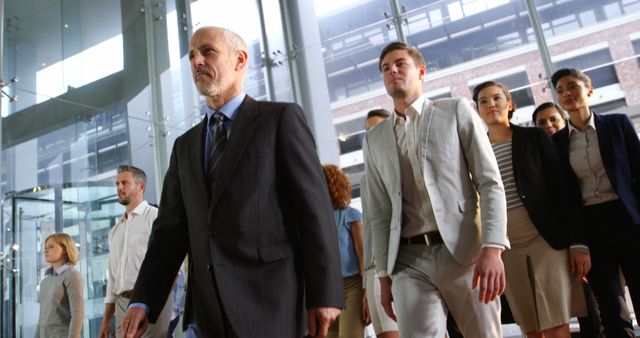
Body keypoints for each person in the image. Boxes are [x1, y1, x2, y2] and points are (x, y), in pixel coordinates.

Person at [123, 26, 343, 338]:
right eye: (191, 55)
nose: (197, 60)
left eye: (207, 51)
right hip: (207, 312)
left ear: (240, 59)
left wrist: (324, 294)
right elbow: (169, 231)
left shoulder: (280, 120)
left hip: (272, 303)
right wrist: (143, 299)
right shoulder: (184, 146)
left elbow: (314, 212)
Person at [362, 41, 509, 337]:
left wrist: (493, 248)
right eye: (385, 68)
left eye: (400, 63)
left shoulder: (456, 110)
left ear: (421, 70)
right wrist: (383, 275)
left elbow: (489, 182)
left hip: (465, 251)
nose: (392, 71)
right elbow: (379, 212)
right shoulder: (373, 139)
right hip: (407, 261)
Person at [473, 81, 589, 338]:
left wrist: (578, 242)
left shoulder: (534, 138)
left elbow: (563, 188)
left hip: (545, 240)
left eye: (497, 98)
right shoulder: (475, 151)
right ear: (477, 110)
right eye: (483, 101)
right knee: (530, 327)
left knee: (556, 324)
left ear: (509, 103)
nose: (491, 104)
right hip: (505, 247)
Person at [551, 68, 640, 338]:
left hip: (628, 219)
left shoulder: (617, 124)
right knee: (611, 309)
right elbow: (565, 197)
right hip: (591, 228)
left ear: (588, 90)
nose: (567, 94)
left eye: (572, 86)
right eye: (561, 91)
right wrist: (577, 242)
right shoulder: (557, 142)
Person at [532, 101, 605, 338]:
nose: (549, 125)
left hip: (584, 232)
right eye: (541, 123)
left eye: (554, 119)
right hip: (550, 240)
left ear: (564, 121)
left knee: (589, 299)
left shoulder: (570, 150)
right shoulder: (536, 157)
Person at [99, 165, 172, 338]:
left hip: (152, 301)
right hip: (121, 303)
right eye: (117, 183)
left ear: (141, 187)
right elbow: (112, 280)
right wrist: (105, 321)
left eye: (124, 183)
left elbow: (170, 266)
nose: (119, 187)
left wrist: (161, 303)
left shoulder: (156, 217)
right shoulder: (115, 231)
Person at [361, 109, 400, 338]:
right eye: (367, 132)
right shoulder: (367, 179)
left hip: (411, 260)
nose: (371, 136)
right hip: (376, 268)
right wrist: (367, 279)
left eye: (376, 129)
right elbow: (371, 226)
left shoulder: (409, 162)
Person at [322, 164, 368, 338]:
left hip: (353, 287)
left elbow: (363, 255)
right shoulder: (315, 220)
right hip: (328, 291)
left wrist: (367, 292)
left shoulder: (351, 215)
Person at [36, 233, 84, 338]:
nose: (46, 250)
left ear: (65, 249)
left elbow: (77, 314)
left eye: (51, 246)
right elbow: (42, 318)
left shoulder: (72, 275)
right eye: (45, 247)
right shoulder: (45, 281)